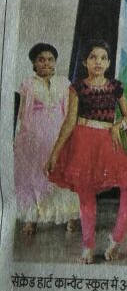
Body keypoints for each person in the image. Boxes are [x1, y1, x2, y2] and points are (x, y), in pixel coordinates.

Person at [46, 40, 127, 264]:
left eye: (103, 58)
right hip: (83, 142)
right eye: (93, 57)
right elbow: (69, 122)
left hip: (108, 142)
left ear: (108, 63)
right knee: (86, 196)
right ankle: (87, 246)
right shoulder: (77, 87)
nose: (98, 62)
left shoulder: (115, 86)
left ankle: (116, 240)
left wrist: (118, 126)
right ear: (85, 62)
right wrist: (55, 153)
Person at [14, 43, 79, 235]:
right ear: (34, 63)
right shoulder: (28, 84)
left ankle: (69, 215)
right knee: (34, 175)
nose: (46, 63)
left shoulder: (64, 83)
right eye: (41, 60)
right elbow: (23, 114)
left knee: (62, 173)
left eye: (50, 60)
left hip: (57, 134)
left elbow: (68, 112)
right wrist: (23, 137)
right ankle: (32, 219)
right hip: (35, 135)